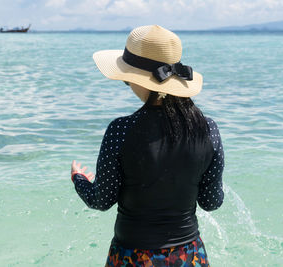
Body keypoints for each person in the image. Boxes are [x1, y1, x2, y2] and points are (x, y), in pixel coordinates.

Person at [71, 25, 224, 267]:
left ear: (140, 81)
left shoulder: (120, 130)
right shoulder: (208, 130)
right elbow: (211, 202)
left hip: (132, 257)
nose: (128, 85)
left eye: (127, 79)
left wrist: (78, 179)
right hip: (189, 257)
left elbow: (100, 200)